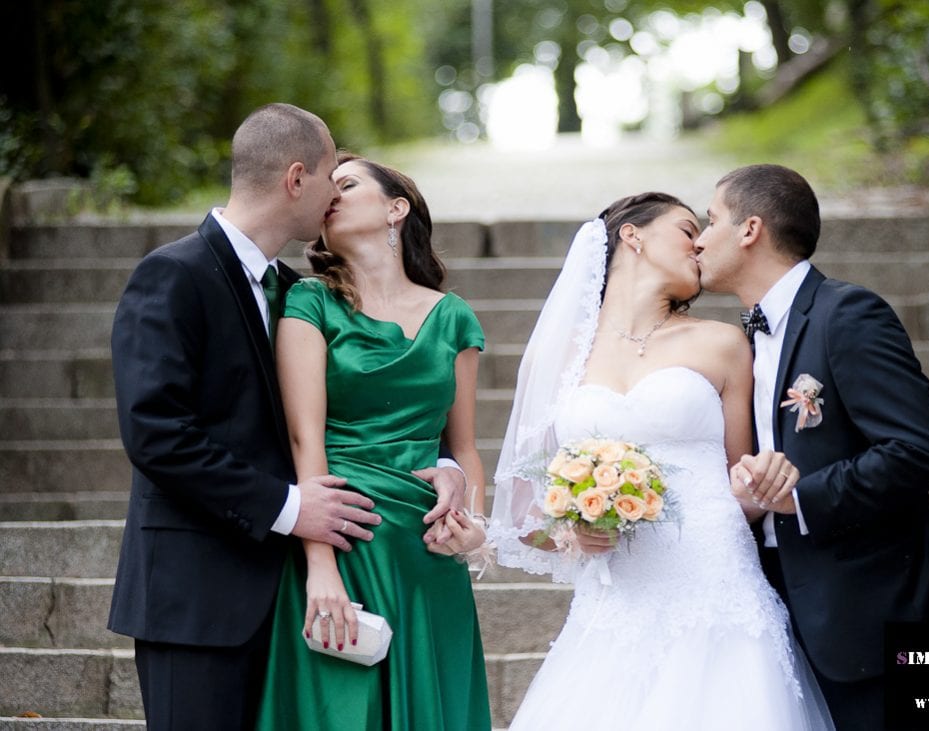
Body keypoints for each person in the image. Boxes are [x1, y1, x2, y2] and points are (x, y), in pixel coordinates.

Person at [108, 104, 463, 730]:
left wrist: (440, 463)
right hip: (197, 596)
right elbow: (156, 433)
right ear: (297, 179)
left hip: (285, 594)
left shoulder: (292, 289)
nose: (335, 194)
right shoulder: (173, 273)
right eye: (332, 176)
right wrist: (292, 506)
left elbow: (350, 412)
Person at [490, 193, 834, 730]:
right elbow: (526, 513)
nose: (699, 243)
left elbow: (739, 482)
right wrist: (573, 532)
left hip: (715, 580)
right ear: (634, 236)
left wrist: (760, 485)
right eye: (686, 229)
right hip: (616, 598)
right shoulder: (559, 354)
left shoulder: (723, 343)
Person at [694, 164, 929, 730]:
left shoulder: (848, 315)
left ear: (750, 230)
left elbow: (920, 449)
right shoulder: (742, 341)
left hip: (870, 615)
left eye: (711, 219)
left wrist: (802, 498)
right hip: (771, 610)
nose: (698, 237)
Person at [254, 155, 492, 731]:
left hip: (425, 552)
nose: (330, 192)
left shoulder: (454, 317)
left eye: (348, 183)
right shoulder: (310, 302)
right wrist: (321, 565)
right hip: (346, 531)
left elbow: (463, 447)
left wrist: (474, 526)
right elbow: (302, 437)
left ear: (396, 207)